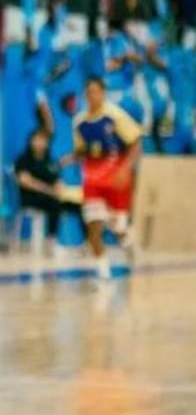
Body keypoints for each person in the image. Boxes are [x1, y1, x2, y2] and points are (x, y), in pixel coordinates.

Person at [71, 77, 142, 280]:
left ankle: (127, 240)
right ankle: (103, 274)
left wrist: (125, 169)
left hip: (116, 176)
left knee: (117, 227)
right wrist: (73, 157)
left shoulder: (115, 115)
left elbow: (135, 143)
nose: (92, 96)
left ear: (103, 93)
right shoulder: (79, 122)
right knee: (93, 226)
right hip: (93, 178)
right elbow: (82, 150)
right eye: (88, 92)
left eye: (96, 91)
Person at [13, 128, 64, 255]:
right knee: (54, 203)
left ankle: (88, 242)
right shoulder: (23, 160)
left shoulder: (50, 161)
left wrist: (59, 188)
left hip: (49, 196)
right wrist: (48, 190)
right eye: (36, 140)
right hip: (30, 197)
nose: (39, 143)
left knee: (75, 205)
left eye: (42, 140)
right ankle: (51, 241)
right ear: (31, 141)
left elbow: (57, 179)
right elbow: (25, 181)